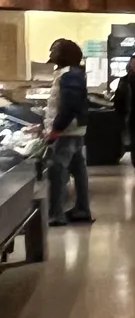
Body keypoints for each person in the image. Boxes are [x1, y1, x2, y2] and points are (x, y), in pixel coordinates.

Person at [44, 38, 92, 226]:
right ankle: (81, 209)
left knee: (57, 171)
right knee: (78, 170)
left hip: (67, 132)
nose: (51, 52)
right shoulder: (71, 73)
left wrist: (56, 129)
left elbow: (69, 105)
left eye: (55, 49)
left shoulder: (69, 74)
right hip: (73, 130)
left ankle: (55, 214)